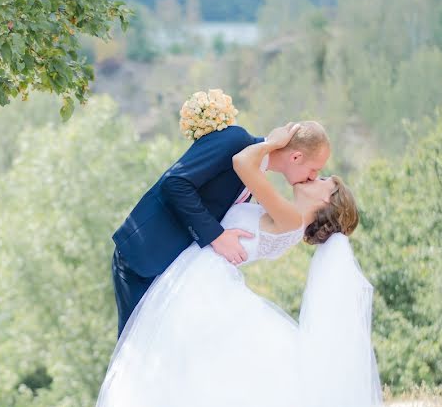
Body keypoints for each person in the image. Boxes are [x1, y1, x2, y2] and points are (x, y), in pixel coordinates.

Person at [87, 124, 404, 407]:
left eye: (323, 180)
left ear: (326, 202)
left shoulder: (292, 216)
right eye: (317, 170)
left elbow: (241, 164)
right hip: (196, 278)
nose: (316, 178)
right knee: (183, 385)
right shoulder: (284, 209)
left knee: (167, 379)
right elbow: (215, 184)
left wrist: (270, 144)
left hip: (202, 285)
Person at [111, 119, 330, 337]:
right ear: (296, 157)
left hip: (177, 276)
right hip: (147, 253)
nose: (313, 177)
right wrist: (216, 236)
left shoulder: (253, 179)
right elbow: (175, 183)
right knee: (133, 348)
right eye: (314, 169)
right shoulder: (236, 140)